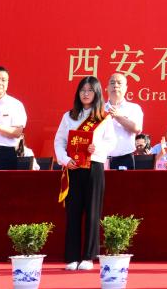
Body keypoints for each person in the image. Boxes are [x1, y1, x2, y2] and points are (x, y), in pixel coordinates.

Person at [53, 76, 116, 271]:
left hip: (94, 167)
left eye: (90, 90)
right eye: (82, 90)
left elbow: (111, 142)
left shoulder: (104, 117)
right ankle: (72, 256)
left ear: (97, 93)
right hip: (73, 168)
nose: (86, 94)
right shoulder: (69, 116)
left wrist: (96, 148)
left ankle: (88, 256)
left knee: (92, 212)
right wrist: (65, 159)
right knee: (73, 212)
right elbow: (59, 141)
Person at [104, 73, 144, 170]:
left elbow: (137, 129)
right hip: (101, 157)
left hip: (124, 158)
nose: (115, 85)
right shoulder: (98, 108)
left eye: (119, 83)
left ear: (126, 88)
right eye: (112, 83)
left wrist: (118, 116)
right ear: (107, 88)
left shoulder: (133, 108)